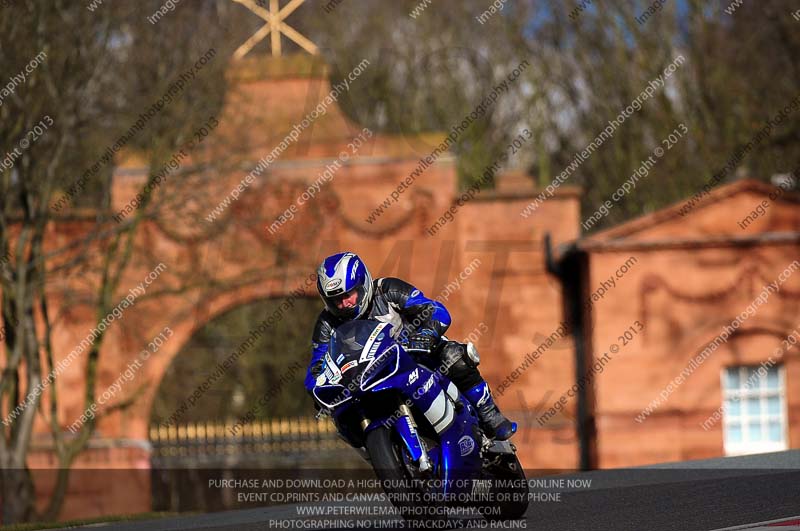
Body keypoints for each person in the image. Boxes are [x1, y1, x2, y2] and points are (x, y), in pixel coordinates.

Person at [305, 251, 516, 440]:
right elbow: (317, 365)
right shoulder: (327, 323)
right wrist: (317, 387)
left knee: (453, 356)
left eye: (348, 295)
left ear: (363, 284)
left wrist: (426, 334)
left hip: (415, 355)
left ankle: (489, 414)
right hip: (367, 380)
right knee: (343, 417)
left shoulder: (387, 290)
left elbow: (435, 311)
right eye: (336, 300)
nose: (344, 304)